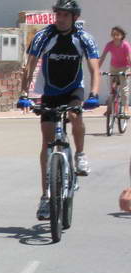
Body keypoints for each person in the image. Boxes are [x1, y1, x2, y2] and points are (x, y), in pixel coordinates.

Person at [17, 0, 100, 221]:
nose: (61, 19)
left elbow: (94, 67)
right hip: (50, 92)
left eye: (66, 15)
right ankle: (46, 197)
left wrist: (93, 94)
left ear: (74, 17)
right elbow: (30, 65)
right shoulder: (44, 36)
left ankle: (80, 155)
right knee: (47, 140)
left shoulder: (83, 37)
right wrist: (24, 94)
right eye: (58, 14)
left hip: (73, 90)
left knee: (74, 114)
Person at [98, 26, 131, 116]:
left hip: (125, 67)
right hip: (114, 67)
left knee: (124, 88)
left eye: (117, 34)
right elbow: (103, 56)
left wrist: (130, 70)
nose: (115, 36)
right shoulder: (109, 44)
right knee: (112, 89)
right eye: (113, 34)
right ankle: (109, 108)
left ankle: (126, 108)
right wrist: (97, 69)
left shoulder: (125, 45)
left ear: (122, 36)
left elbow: (129, 58)